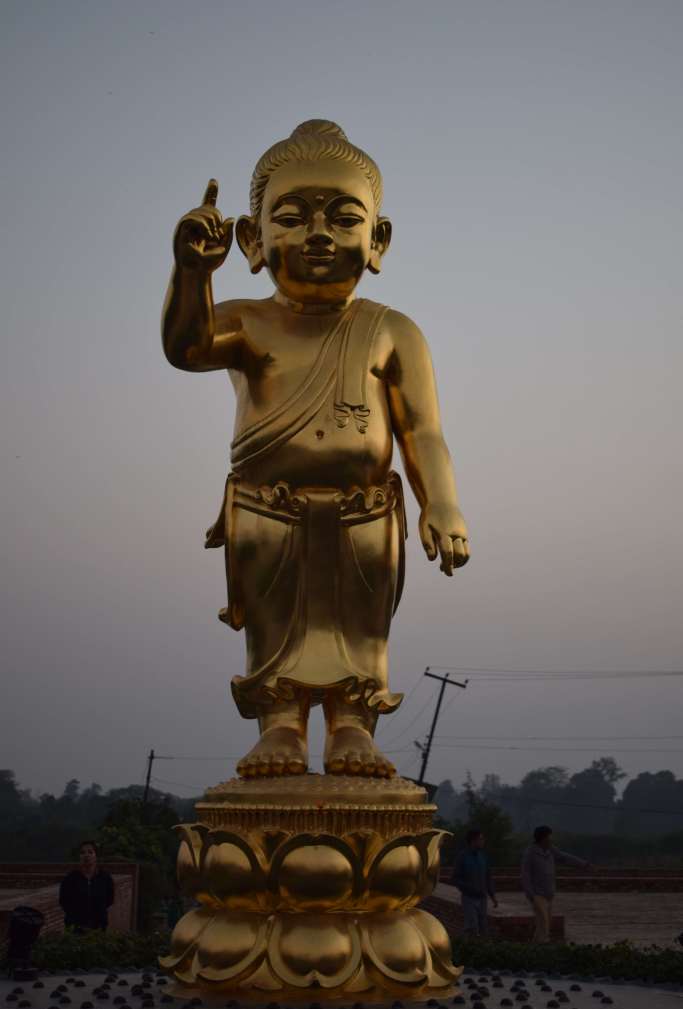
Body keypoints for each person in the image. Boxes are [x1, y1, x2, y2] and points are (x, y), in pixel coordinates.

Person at [162, 119, 470, 779]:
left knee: (361, 629)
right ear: (252, 238)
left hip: (365, 511)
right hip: (266, 507)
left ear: (378, 239)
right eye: (293, 218)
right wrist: (192, 275)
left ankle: (352, 726)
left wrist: (440, 502)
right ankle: (279, 725)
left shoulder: (392, 330)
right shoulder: (246, 318)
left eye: (344, 218)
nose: (320, 234)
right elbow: (185, 349)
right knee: (274, 628)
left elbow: (422, 430)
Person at [521, 825, 592, 943]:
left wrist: (584, 864)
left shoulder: (551, 850)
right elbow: (525, 875)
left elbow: (565, 858)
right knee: (543, 921)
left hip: (549, 894)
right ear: (542, 838)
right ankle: (544, 944)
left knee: (545, 922)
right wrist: (531, 894)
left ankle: (535, 946)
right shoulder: (530, 853)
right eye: (549, 837)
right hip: (537, 894)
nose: (551, 840)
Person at [451, 828, 499, 937]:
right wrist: (468, 888)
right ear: (473, 841)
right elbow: (455, 878)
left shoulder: (483, 856)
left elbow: (488, 877)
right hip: (469, 898)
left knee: (483, 926)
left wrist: (492, 895)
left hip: (482, 897)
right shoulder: (462, 856)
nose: (483, 841)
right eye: (481, 839)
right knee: (472, 927)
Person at [59, 840, 114, 932]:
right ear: (79, 856)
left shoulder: (105, 878)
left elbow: (109, 900)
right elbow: (63, 901)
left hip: (98, 928)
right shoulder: (70, 878)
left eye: (90, 852)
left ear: (96, 856)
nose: (86, 855)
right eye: (82, 852)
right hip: (75, 928)